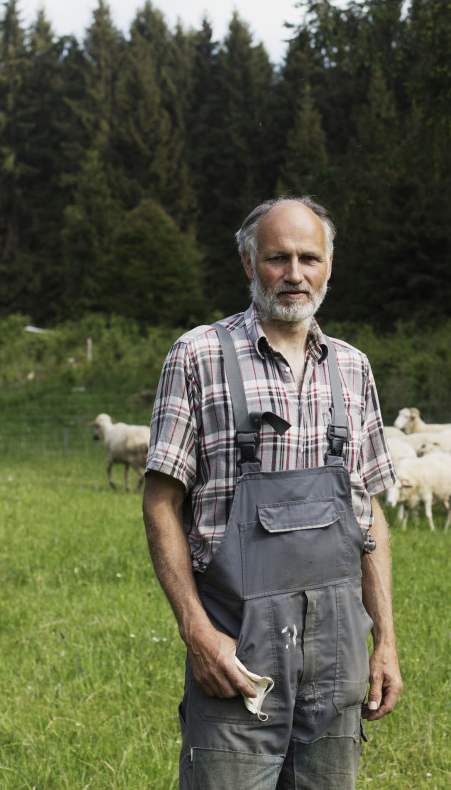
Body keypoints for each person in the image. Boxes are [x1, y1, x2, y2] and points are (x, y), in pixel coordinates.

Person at [142, 196, 402, 789]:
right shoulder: (198, 356)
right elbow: (161, 503)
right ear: (247, 262)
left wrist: (384, 641)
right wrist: (195, 631)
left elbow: (370, 514)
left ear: (329, 265)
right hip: (237, 650)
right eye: (276, 257)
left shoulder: (353, 369)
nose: (294, 273)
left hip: (339, 652)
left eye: (308, 257)